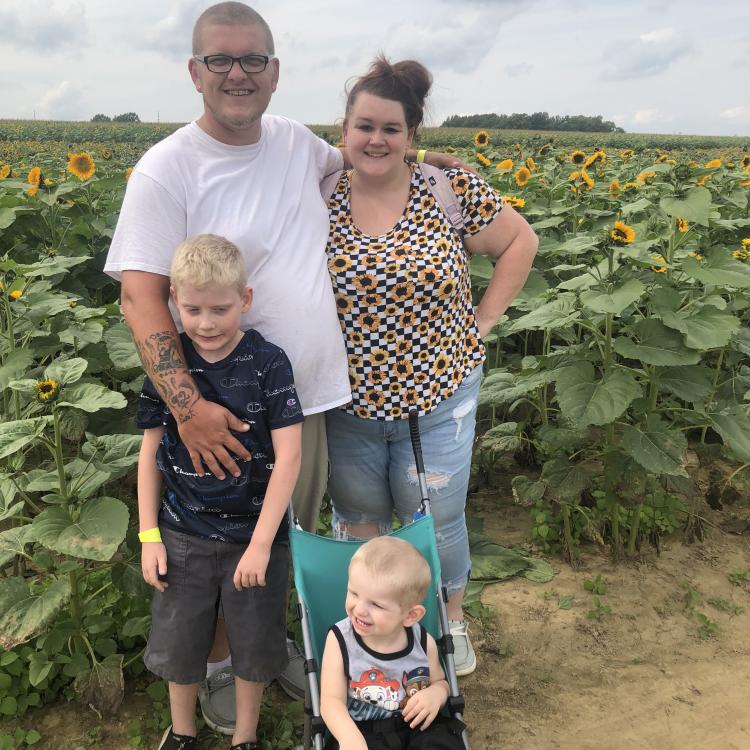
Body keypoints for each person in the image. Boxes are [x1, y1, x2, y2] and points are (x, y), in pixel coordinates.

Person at [106, 2, 469, 728]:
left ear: (275, 74)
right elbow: (140, 298)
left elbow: (372, 155)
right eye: (220, 60)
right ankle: (215, 672)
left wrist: (427, 161)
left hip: (302, 402)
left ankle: (278, 660)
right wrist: (188, 408)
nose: (236, 74)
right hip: (216, 410)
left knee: (280, 546)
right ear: (194, 72)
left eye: (252, 60)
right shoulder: (166, 169)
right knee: (214, 546)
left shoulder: (299, 145)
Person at [324, 57, 539, 677]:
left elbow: (519, 241)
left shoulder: (449, 189)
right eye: (364, 126)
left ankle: (449, 625)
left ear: (412, 136)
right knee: (358, 522)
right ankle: (366, 628)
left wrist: (484, 319)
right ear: (344, 131)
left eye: (391, 129)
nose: (376, 140)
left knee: (437, 521)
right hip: (350, 405)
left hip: (439, 398)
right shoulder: (320, 191)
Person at [137, 234, 303, 750]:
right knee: (181, 642)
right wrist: (148, 535)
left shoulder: (268, 362)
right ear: (173, 304)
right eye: (192, 309)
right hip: (182, 531)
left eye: (220, 309)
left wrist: (261, 543)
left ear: (245, 301)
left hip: (254, 538)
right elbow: (149, 455)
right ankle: (182, 733)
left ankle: (245, 737)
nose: (205, 323)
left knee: (254, 642)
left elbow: (290, 456)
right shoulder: (169, 371)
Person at [320, 536, 465, 749]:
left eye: (376, 605)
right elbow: (331, 701)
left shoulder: (423, 643)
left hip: (417, 724)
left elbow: (440, 682)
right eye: (354, 593)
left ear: (410, 616)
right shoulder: (340, 640)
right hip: (362, 729)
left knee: (441, 742)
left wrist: (437, 694)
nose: (359, 609)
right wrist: (348, 736)